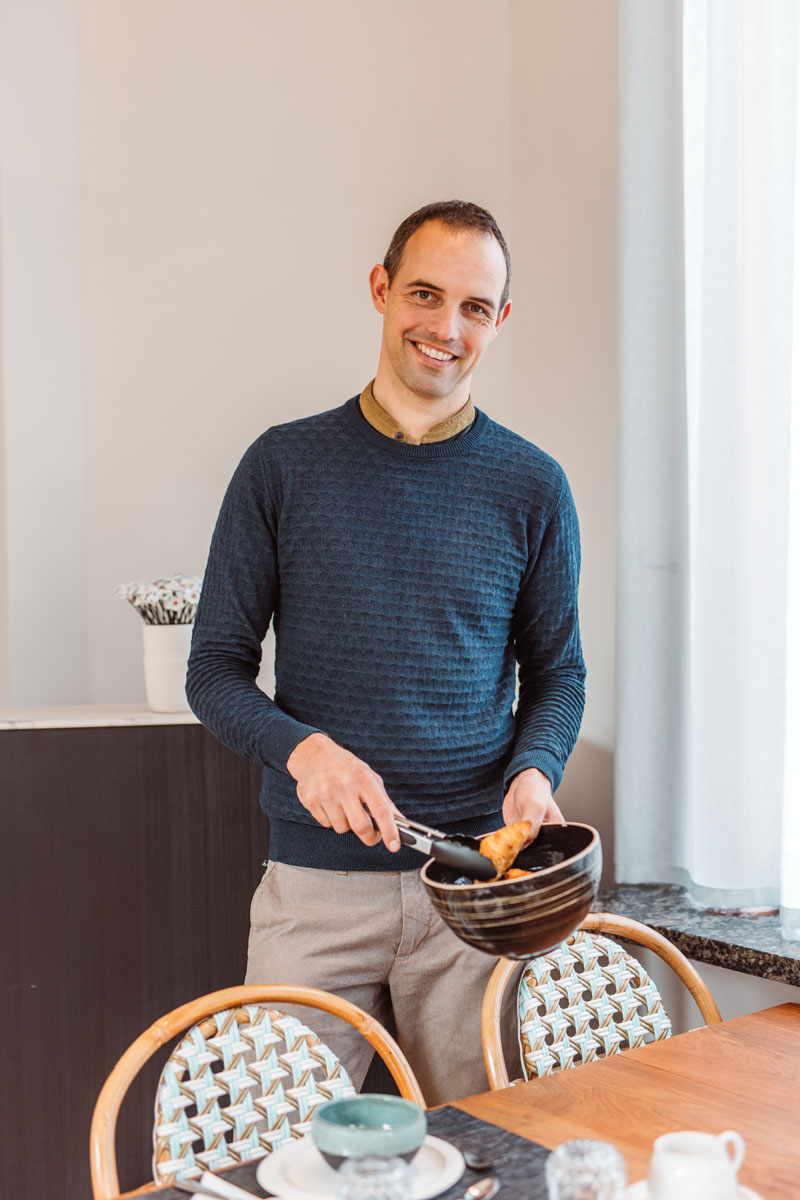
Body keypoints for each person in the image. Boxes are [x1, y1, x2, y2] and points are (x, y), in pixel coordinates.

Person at [186, 199, 585, 1105]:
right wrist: (305, 749)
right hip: (315, 891)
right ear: (380, 289)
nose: (445, 328)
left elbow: (558, 672)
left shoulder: (533, 486)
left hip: (476, 895)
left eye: (475, 308)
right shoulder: (280, 467)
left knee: (491, 1148)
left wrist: (535, 770)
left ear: (499, 322)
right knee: (282, 1149)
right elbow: (213, 669)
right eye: (425, 294)